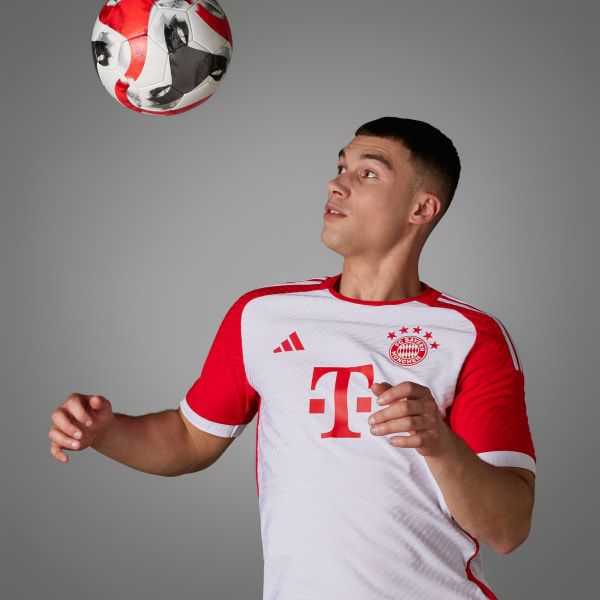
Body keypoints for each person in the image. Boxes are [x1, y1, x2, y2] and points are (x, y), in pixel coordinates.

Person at [48, 117, 536, 600]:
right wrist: (104, 431)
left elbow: (508, 529)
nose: (336, 184)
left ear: (421, 208)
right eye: (340, 167)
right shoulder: (263, 316)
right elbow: (189, 439)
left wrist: (442, 446)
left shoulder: (471, 336)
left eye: (367, 173)